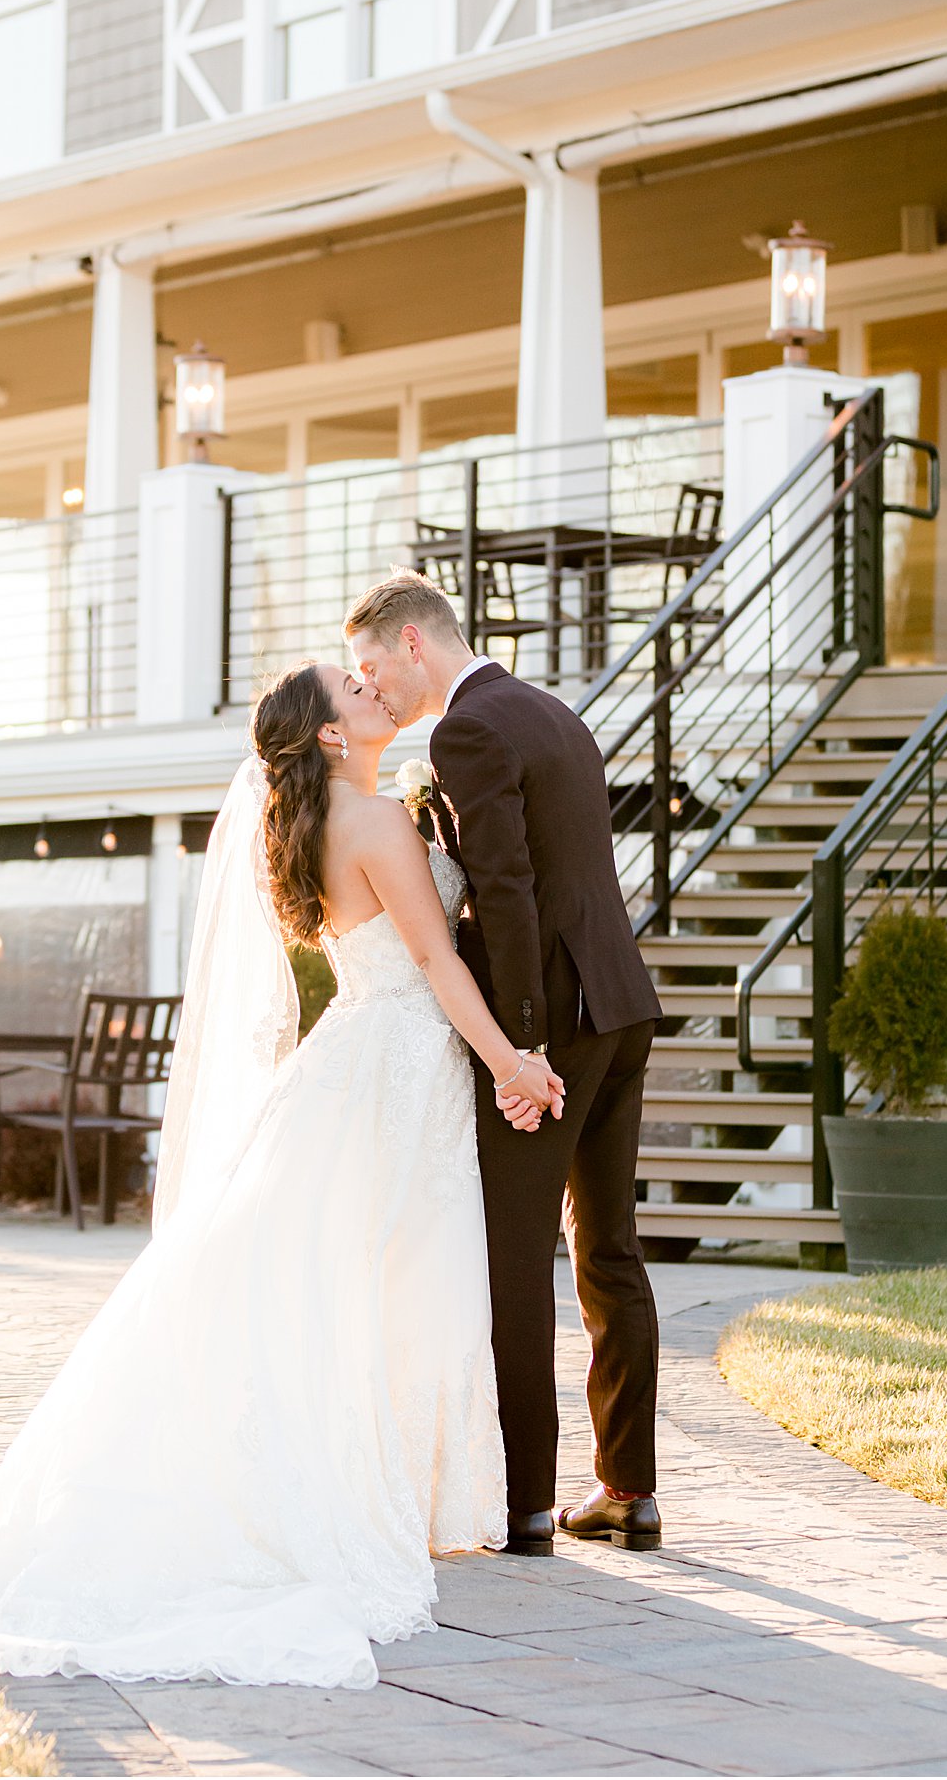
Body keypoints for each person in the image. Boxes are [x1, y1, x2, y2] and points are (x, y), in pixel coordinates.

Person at [0, 662, 564, 1691]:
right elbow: (437, 964)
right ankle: (340, 1498)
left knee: (346, 1282)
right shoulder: (376, 823)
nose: (371, 689)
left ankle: (380, 1484)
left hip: (370, 1060)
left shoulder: (348, 821)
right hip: (394, 1061)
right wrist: (511, 1062)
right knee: (383, 1281)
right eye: (353, 689)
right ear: (332, 737)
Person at [347, 570, 663, 1556]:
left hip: (555, 1022)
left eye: (370, 667)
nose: (373, 692)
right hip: (619, 1000)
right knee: (607, 1248)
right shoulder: (548, 710)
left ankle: (525, 1505)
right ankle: (626, 1489)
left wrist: (516, 1047)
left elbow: (509, 893)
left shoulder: (464, 730)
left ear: (410, 644)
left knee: (512, 1256)